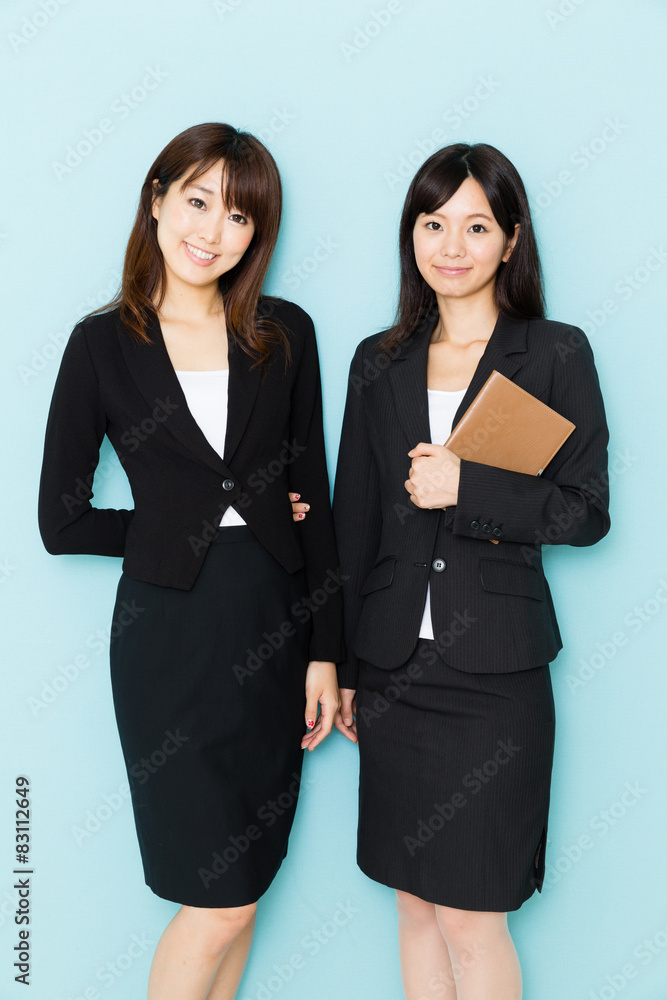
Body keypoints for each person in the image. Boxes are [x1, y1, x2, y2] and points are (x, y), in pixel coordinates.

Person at [38, 122, 343, 1000]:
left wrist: (328, 650)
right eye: (198, 201)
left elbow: (311, 496)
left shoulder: (284, 332)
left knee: (244, 895)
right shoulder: (101, 344)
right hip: (169, 640)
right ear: (158, 199)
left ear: (259, 235)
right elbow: (59, 521)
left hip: (274, 631)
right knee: (212, 898)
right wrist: (179, 520)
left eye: (240, 217)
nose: (213, 231)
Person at [331, 142, 610, 999]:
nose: (451, 244)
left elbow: (586, 511)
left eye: (476, 225)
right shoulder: (378, 361)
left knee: (470, 913)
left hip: (495, 675)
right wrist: (341, 664)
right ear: (411, 234)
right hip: (390, 671)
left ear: (510, 239)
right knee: (413, 904)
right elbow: (354, 522)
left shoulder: (554, 352)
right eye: (433, 222)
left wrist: (468, 487)